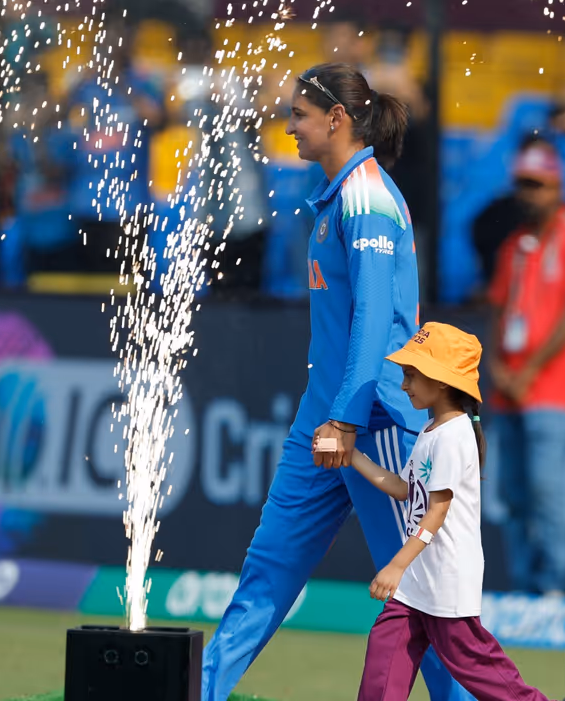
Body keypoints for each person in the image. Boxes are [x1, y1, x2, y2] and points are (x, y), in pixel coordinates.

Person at [201, 62, 474, 701]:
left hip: (371, 420)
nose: (289, 127)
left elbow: (374, 324)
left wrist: (346, 420)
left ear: (337, 119)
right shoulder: (338, 196)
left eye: (299, 115)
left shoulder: (368, 200)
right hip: (325, 417)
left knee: (418, 603)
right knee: (266, 574)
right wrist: (329, 417)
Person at [347, 322, 550, 701]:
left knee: (480, 670)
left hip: (445, 583)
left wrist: (396, 565)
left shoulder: (454, 437)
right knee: (384, 654)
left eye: (411, 375)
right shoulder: (431, 431)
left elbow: (435, 513)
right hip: (417, 586)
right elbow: (405, 489)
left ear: (440, 381)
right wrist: (352, 457)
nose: (404, 384)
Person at [487, 140, 565, 595]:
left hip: (554, 387)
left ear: (558, 186)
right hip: (510, 387)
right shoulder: (514, 245)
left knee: (546, 490)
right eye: (522, 184)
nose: (528, 193)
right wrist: (499, 364)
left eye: (536, 185)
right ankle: (524, 586)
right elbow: (499, 309)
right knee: (513, 495)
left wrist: (529, 368)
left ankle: (555, 587)